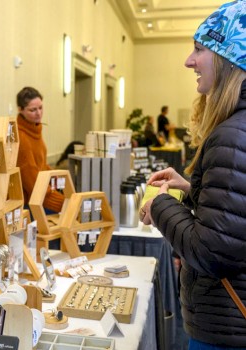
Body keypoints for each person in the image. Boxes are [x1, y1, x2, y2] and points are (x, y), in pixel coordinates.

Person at [140, 2, 246, 348]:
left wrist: (159, 206)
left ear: (229, 60)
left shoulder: (232, 135)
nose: (189, 61)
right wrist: (193, 188)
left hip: (224, 329)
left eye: (200, 49)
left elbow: (211, 253)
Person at [16, 87, 64, 213]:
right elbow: (33, 183)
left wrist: (57, 178)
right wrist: (62, 203)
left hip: (39, 197)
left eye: (40, 108)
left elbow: (40, 165)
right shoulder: (21, 137)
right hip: (29, 204)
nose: (38, 113)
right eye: (33, 110)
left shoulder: (34, 129)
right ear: (20, 110)